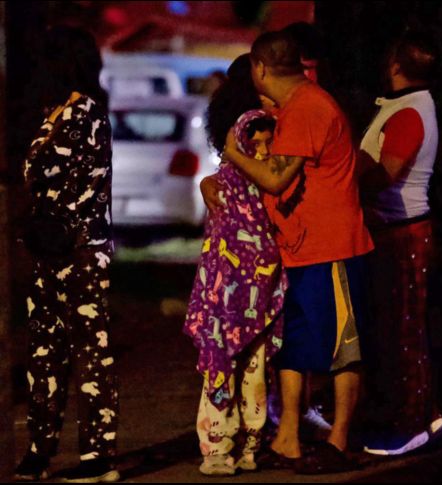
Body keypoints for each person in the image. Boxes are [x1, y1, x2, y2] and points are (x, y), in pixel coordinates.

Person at [200, 30, 374, 474]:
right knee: (294, 347)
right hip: (299, 249)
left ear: (259, 68)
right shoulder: (296, 108)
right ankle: (289, 435)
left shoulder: (309, 109)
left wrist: (233, 156)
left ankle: (337, 440)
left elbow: (275, 179)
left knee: (342, 346)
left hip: (331, 246)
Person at [14, 26, 120, 483]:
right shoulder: (52, 111)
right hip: (48, 250)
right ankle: (40, 448)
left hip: (80, 250)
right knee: (44, 352)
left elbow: (78, 183)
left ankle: (98, 455)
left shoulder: (86, 111)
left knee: (90, 352)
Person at [184, 54, 288, 477]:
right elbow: (271, 178)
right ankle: (247, 444)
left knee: (221, 358)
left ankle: (218, 448)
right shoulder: (261, 128)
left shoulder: (227, 161)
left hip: (225, 274)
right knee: (254, 362)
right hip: (256, 270)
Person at [356, 32, 442, 457]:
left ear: (394, 65)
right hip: (398, 229)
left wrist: (344, 157)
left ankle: (411, 425)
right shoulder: (406, 106)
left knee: (403, 331)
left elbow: (385, 174)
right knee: (401, 328)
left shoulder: (409, 111)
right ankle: (421, 413)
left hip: (403, 231)